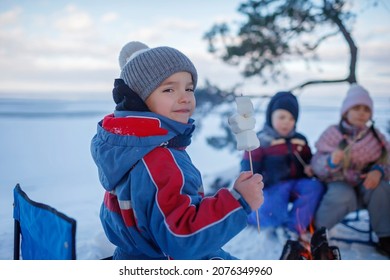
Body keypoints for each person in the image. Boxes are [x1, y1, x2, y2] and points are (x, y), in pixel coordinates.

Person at [90, 41, 264, 260]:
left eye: (189, 88)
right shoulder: (158, 160)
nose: (185, 97)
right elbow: (182, 239)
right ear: (141, 99)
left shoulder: (129, 148)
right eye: (169, 89)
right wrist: (239, 201)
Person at [311, 83, 390, 257]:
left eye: (366, 109)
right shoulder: (333, 133)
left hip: (366, 184)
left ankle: (386, 237)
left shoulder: (376, 136)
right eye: (356, 108)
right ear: (345, 111)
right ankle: (315, 231)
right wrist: (330, 161)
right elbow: (316, 164)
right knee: (341, 194)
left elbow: (387, 159)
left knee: (382, 188)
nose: (362, 113)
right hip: (338, 181)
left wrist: (378, 170)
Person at [240, 91, 324, 240]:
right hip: (271, 186)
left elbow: (309, 160)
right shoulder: (260, 140)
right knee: (272, 215)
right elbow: (248, 169)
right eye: (282, 117)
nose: (287, 122)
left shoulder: (300, 140)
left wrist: (310, 169)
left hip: (296, 183)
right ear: (270, 116)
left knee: (314, 187)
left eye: (291, 118)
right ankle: (251, 217)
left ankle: (294, 226)